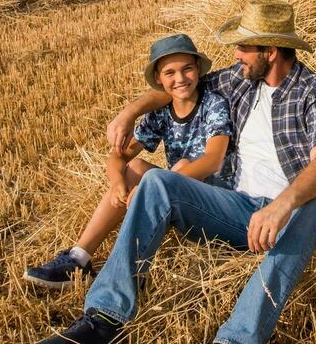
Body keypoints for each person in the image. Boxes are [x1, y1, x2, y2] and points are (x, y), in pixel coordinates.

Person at [26, 0, 316, 344]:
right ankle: (104, 321)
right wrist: (130, 111)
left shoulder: (313, 93)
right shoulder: (239, 80)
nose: (236, 56)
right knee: (157, 180)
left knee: (312, 206)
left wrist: (281, 204)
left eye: (244, 48)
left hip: (292, 211)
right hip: (236, 207)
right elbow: (175, 89)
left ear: (270, 51)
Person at [22, 34, 235, 290]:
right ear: (158, 79)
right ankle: (79, 258)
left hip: (215, 202)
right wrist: (117, 183)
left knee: (178, 167)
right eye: (170, 73)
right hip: (177, 193)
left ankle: (127, 274)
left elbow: (213, 160)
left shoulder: (213, 105)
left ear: (198, 69)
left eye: (187, 68)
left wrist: (159, 186)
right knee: (133, 168)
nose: (180, 79)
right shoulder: (161, 113)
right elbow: (118, 156)